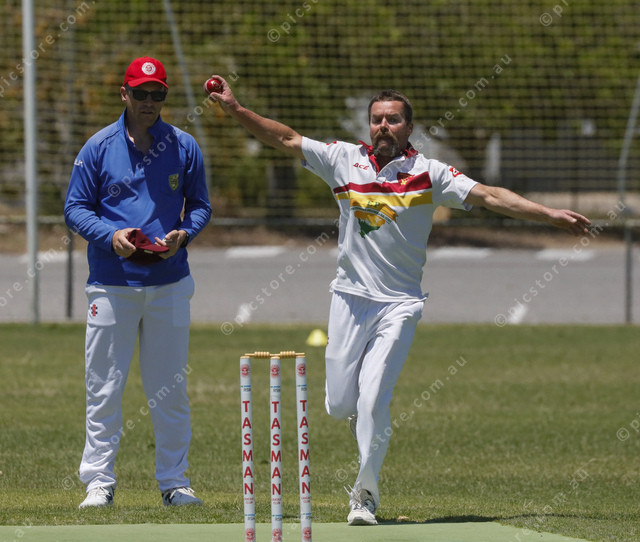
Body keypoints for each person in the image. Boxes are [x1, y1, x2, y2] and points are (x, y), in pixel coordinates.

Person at [204, 78, 590, 525]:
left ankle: (364, 495)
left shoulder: (430, 173)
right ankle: (363, 423)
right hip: (348, 300)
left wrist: (548, 214)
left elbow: (489, 195)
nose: (383, 126)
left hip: (399, 304)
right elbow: (286, 138)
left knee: (373, 401)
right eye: (376, 119)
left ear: (409, 127)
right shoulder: (343, 159)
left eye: (392, 119)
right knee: (339, 405)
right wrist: (236, 109)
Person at [65, 57, 212, 509]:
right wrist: (110, 237)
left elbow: (200, 205)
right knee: (104, 388)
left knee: (170, 391)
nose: (149, 102)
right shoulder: (97, 147)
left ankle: (175, 483)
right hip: (111, 284)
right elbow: (74, 208)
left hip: (170, 282)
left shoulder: (184, 145)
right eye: (141, 93)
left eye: (158, 94)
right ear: (124, 94)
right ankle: (99, 482)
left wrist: (183, 234)